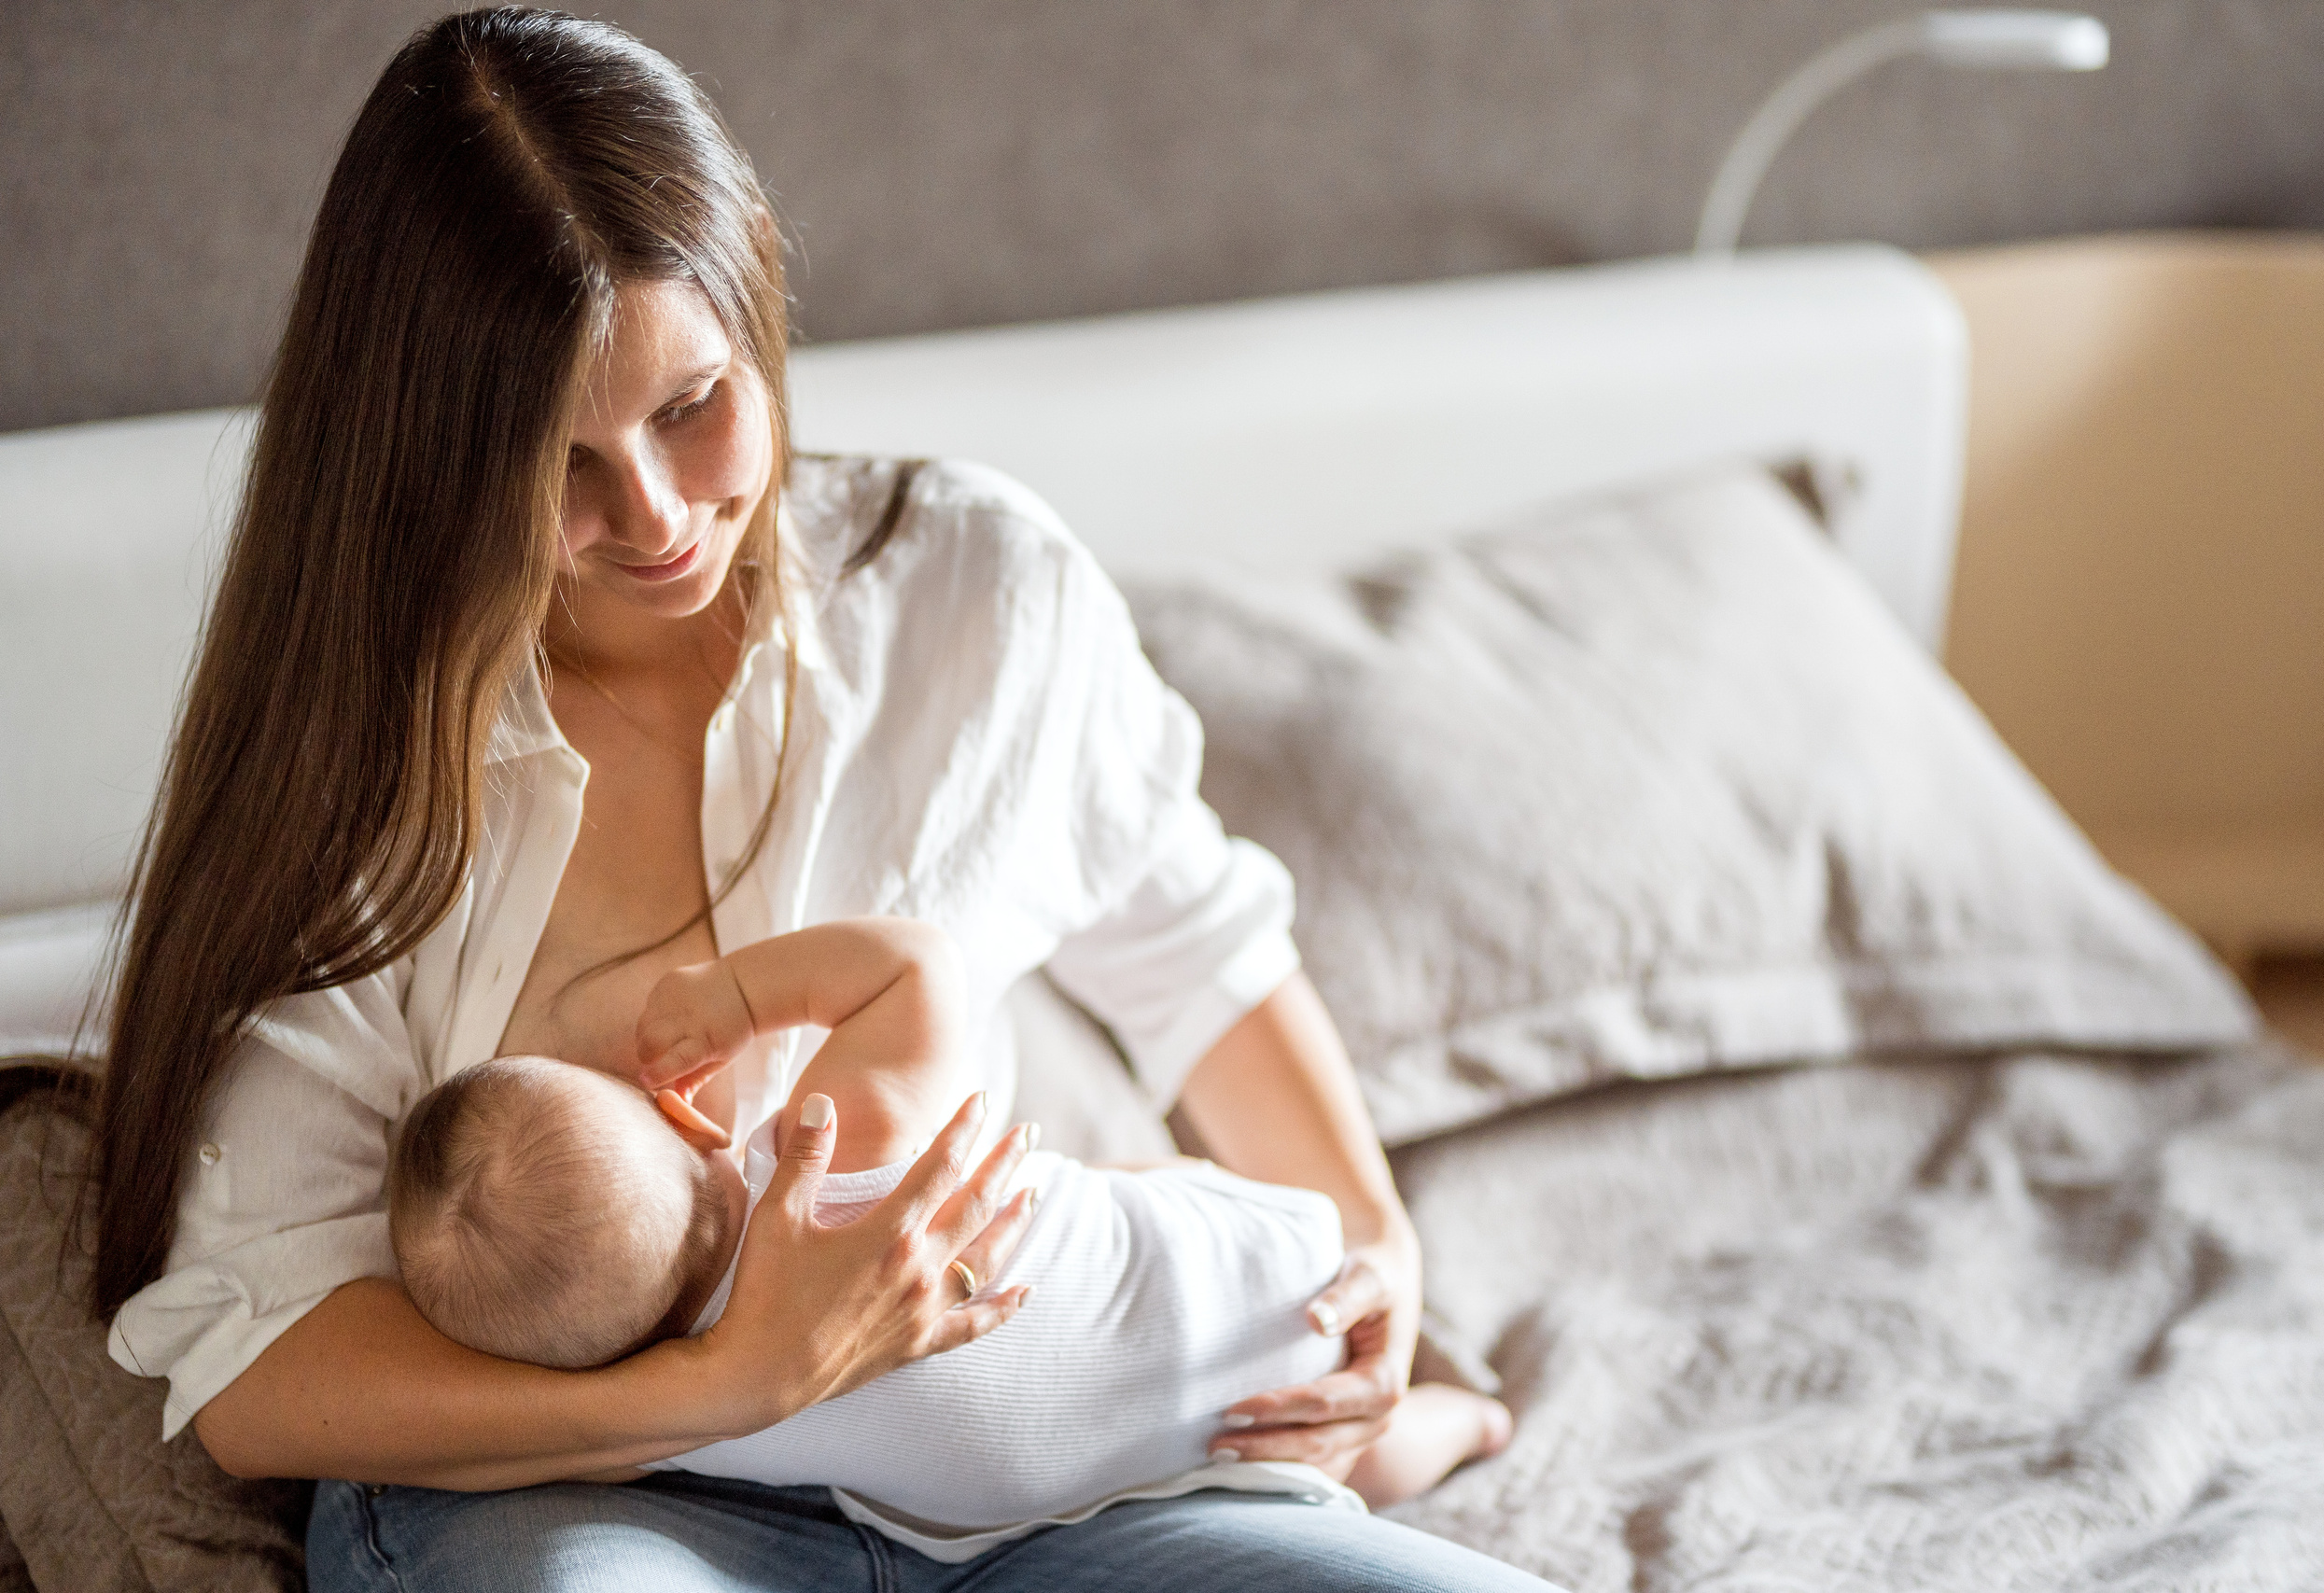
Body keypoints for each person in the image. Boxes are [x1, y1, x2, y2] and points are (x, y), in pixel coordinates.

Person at [87, 8, 1561, 1589]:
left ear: (756, 306)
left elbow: (1199, 955)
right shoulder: (364, 754)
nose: (657, 514)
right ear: (434, 456)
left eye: (690, 405)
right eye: (560, 464)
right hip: (588, 1491)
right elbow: (258, 1364)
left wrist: (1370, 1261)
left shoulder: (970, 595)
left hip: (1041, 1480)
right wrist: (727, 1385)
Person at [385, 918, 1513, 1556]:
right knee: (1111, 1201)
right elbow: (915, 967)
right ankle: (1469, 1411)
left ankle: (1461, 1426)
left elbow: (537, 1446)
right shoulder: (840, 1144)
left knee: (1352, 1469)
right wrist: (734, 996)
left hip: (1188, 1466)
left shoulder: (684, 1433)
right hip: (1267, 1284)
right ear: (686, 1116)